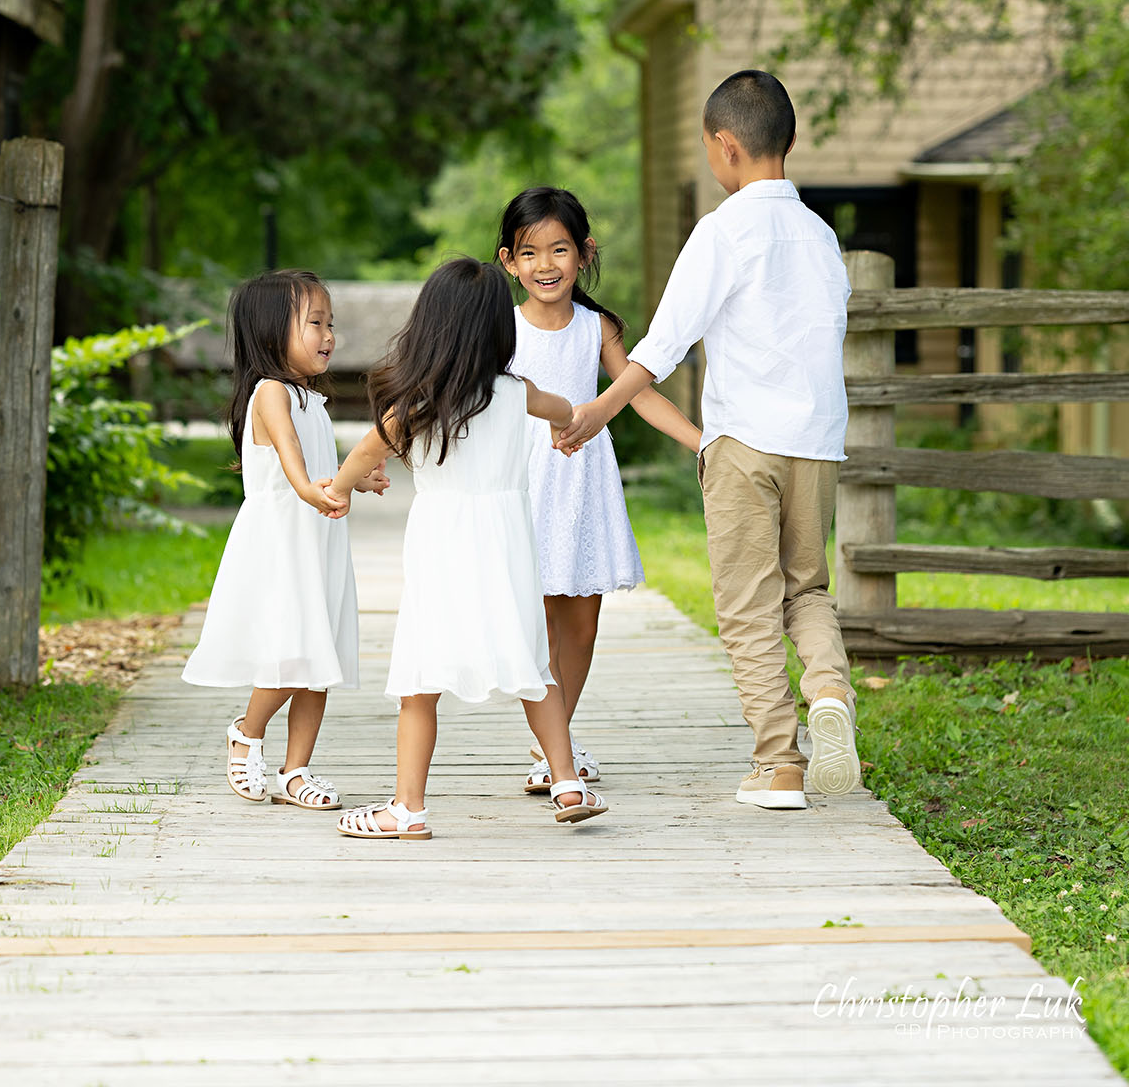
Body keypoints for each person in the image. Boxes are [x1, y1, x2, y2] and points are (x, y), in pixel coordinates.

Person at [557, 70, 862, 811]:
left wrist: (599, 410)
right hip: (816, 442)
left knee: (748, 604)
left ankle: (779, 765)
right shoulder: (821, 238)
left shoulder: (723, 231)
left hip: (743, 443)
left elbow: (662, 344)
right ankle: (828, 691)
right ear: (786, 140)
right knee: (808, 588)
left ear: (725, 147)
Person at [325, 257, 609, 838]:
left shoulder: (412, 406)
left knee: (420, 679)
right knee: (536, 666)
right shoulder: (514, 391)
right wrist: (562, 428)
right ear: (497, 332)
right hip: (507, 543)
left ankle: (407, 809)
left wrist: (342, 490)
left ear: (429, 326)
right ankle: (567, 782)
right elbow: (562, 409)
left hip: (444, 545)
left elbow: (357, 458)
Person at [496, 186, 702, 791]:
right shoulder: (500, 330)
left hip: (584, 480)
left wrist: (701, 441)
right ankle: (554, 751)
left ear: (584, 253)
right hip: (524, 480)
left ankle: (556, 740)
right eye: (530, 253)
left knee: (580, 624)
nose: (545, 266)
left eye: (559, 250)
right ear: (509, 261)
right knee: (535, 621)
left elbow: (638, 393)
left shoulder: (598, 327)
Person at [181, 269, 387, 809]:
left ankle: (296, 770)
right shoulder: (270, 393)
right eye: (314, 323)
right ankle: (247, 733)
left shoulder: (310, 399)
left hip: (316, 538)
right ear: (273, 333)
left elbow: (320, 469)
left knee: (320, 658)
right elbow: (295, 465)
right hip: (283, 542)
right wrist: (310, 489)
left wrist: (354, 479)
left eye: (330, 324)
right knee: (292, 652)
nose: (328, 335)